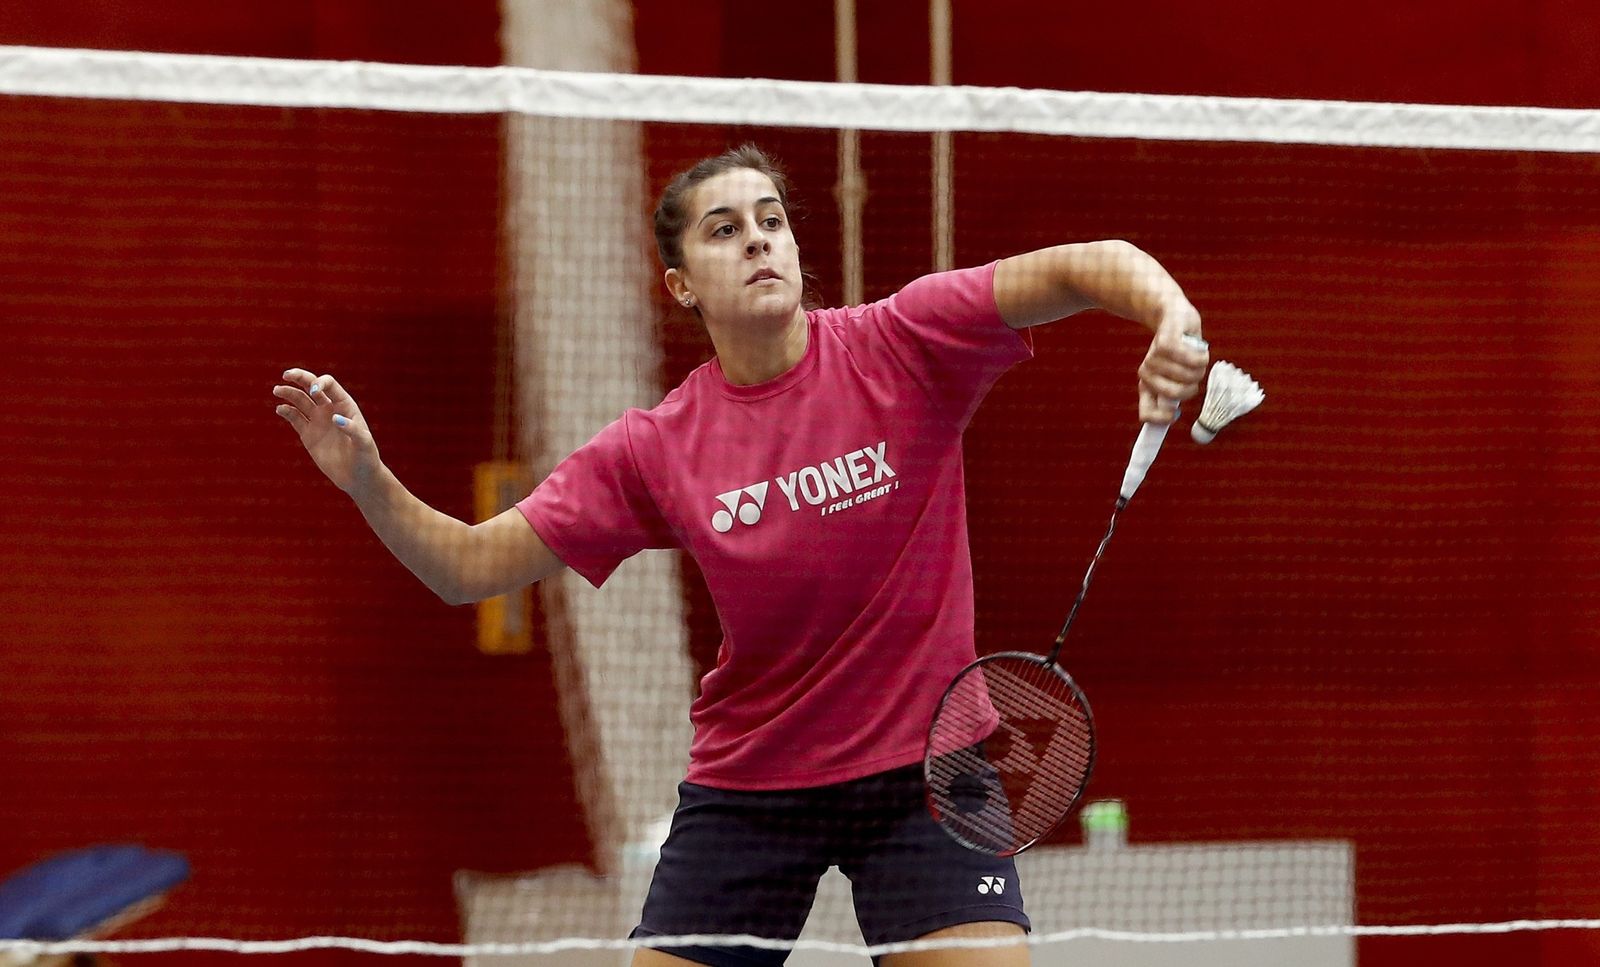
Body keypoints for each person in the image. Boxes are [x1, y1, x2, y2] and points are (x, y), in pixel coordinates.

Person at [273, 144, 1208, 967]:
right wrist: (368, 477)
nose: (759, 241)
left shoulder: (902, 341)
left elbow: (1094, 265)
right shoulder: (656, 445)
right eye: (724, 230)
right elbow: (467, 567)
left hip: (927, 769)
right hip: (755, 783)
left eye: (771, 221)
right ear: (681, 283)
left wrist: (1169, 316)